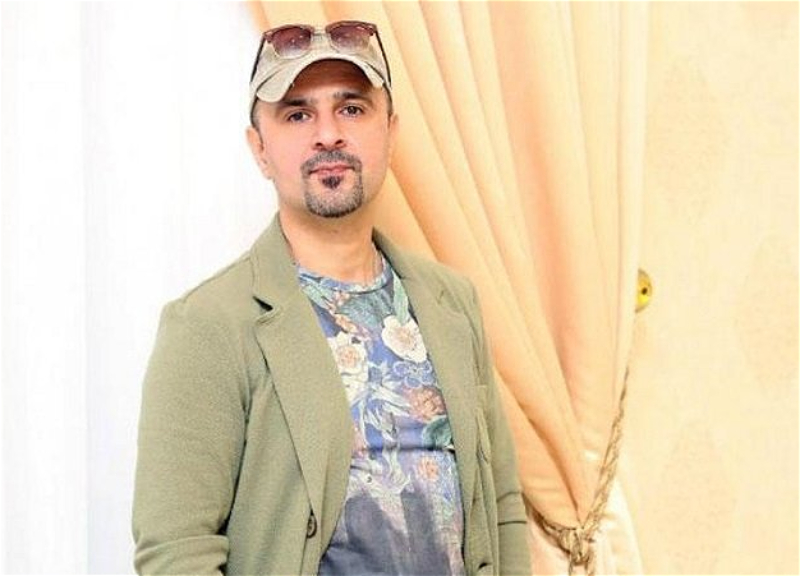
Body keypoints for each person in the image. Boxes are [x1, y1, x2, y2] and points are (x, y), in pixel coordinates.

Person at [132, 20, 530, 576]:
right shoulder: (208, 326)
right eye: (297, 114)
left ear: (390, 131)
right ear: (260, 148)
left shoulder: (452, 302)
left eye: (352, 108)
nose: (328, 134)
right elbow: (177, 551)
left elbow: (502, 504)